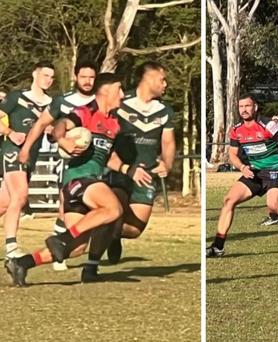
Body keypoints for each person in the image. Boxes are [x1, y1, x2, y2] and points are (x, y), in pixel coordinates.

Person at [5, 73, 125, 286]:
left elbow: (109, 159)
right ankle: (61, 238)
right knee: (113, 209)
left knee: (77, 248)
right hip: (78, 179)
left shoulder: (114, 124)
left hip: (89, 182)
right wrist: (62, 141)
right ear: (106, 91)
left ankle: (22, 263)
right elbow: (61, 124)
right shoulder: (86, 112)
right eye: (119, 89)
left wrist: (129, 169)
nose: (123, 95)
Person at [18, 60, 98, 270]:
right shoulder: (63, 102)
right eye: (83, 77)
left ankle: (92, 253)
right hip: (68, 163)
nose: (88, 81)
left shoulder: (100, 101)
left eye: (91, 77)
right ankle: (59, 246)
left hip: (97, 163)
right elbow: (41, 124)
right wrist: (26, 149)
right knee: (65, 207)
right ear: (75, 77)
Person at [104, 61, 175, 264]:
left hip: (146, 176)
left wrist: (167, 165)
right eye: (162, 79)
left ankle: (114, 236)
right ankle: (101, 242)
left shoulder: (164, 111)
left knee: (134, 230)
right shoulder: (121, 103)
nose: (165, 84)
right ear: (149, 79)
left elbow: (168, 142)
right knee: (114, 213)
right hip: (120, 173)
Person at [205, 94, 278, 257]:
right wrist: (242, 167)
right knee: (229, 200)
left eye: (247, 106)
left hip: (276, 170)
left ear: (255, 107)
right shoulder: (236, 130)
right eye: (241, 107)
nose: (244, 110)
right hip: (254, 172)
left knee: (274, 206)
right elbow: (233, 155)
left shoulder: (269, 125)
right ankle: (218, 246)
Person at [0, 61, 54, 259]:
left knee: (5, 203)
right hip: (12, 152)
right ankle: (12, 249)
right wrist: (10, 132)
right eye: (45, 75)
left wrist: (52, 132)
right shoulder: (17, 97)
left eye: (51, 77)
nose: (48, 80)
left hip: (31, 157)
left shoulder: (52, 104)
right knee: (21, 196)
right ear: (35, 74)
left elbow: (53, 132)